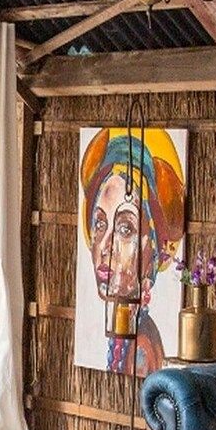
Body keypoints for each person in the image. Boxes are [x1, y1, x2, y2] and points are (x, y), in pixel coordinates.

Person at [79, 127, 186, 375]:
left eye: (125, 229)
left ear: (154, 252)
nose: (105, 246)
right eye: (100, 223)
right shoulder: (127, 336)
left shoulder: (142, 349)